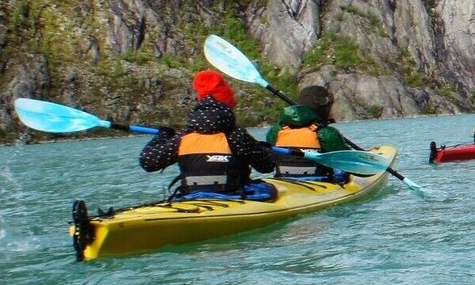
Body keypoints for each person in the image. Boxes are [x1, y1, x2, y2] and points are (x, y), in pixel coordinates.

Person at [140, 70, 277, 200]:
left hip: (190, 199)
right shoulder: (237, 137)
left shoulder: (183, 138)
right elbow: (267, 166)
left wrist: (162, 136)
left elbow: (148, 162)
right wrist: (264, 149)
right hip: (234, 197)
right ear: (227, 106)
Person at [264, 85, 349, 181]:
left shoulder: (277, 130)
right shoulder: (327, 133)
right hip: (319, 184)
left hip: (284, 182)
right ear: (324, 108)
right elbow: (349, 161)